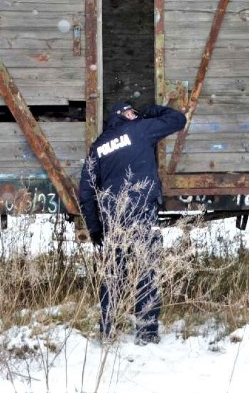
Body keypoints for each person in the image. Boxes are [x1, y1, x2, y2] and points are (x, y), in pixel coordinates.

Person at [79, 101, 186, 344]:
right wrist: (149, 110)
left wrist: (96, 229)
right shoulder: (140, 129)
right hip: (141, 212)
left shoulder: (97, 148)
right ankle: (147, 333)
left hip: (112, 217)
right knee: (145, 269)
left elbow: (86, 192)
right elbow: (178, 119)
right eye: (132, 112)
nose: (135, 115)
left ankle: (107, 332)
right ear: (124, 114)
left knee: (113, 274)